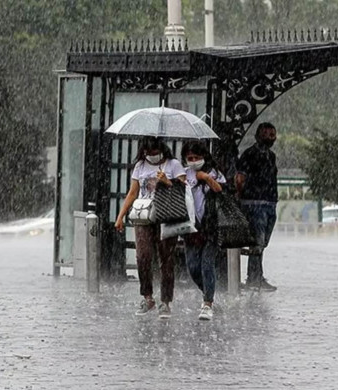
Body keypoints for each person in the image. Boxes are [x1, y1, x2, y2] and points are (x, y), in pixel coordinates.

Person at [115, 137, 186, 319]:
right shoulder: (140, 166)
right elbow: (133, 192)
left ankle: (165, 300)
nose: (152, 156)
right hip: (144, 216)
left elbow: (184, 190)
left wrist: (167, 182)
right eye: (148, 153)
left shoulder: (173, 165)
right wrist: (121, 215)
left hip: (166, 215)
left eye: (155, 153)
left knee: (166, 259)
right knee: (143, 256)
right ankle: (147, 297)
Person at [181, 141, 225, 321]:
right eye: (190, 158)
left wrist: (205, 177)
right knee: (192, 266)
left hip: (211, 226)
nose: (193, 161)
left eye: (197, 158)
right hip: (191, 228)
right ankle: (208, 291)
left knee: (207, 263)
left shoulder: (214, 172)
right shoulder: (183, 174)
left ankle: (208, 303)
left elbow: (221, 189)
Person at [235, 122, 278, 292]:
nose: (269, 137)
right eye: (266, 134)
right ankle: (254, 277)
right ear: (257, 136)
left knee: (263, 242)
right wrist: (242, 196)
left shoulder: (271, 156)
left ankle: (256, 275)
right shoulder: (249, 154)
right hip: (254, 203)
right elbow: (240, 178)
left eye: (272, 134)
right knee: (257, 242)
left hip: (269, 203)